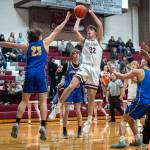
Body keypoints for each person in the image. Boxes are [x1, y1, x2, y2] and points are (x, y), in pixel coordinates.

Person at [0, 11, 71, 140]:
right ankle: (43, 126)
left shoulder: (27, 46)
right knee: (43, 101)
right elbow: (56, 30)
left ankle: (17, 123)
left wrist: (0, 43)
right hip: (40, 74)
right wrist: (66, 20)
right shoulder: (44, 43)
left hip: (29, 74)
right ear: (39, 36)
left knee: (24, 101)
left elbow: (10, 44)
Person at [49, 8, 103, 134]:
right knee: (71, 85)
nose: (89, 32)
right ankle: (57, 107)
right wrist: (78, 19)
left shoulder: (98, 41)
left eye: (91, 31)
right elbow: (75, 30)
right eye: (88, 31)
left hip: (95, 70)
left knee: (91, 98)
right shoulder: (84, 42)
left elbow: (99, 24)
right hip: (85, 67)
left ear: (95, 33)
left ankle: (89, 120)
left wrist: (91, 13)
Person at [111, 55, 150, 148]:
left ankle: (122, 141)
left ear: (144, 62)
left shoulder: (139, 71)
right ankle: (138, 140)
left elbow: (122, 76)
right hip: (148, 103)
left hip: (140, 101)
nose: (141, 61)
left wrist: (113, 71)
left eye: (142, 60)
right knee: (131, 119)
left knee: (124, 119)